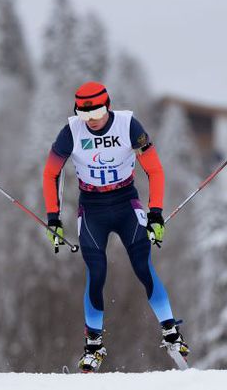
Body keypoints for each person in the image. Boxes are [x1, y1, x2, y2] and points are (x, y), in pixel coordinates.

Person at [42, 81, 189, 372]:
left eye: (96, 113)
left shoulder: (128, 125)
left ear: (107, 106)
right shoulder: (71, 131)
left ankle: (172, 333)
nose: (92, 121)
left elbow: (154, 169)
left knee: (143, 267)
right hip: (92, 208)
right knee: (96, 274)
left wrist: (156, 214)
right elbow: (51, 173)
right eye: (85, 116)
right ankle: (93, 346)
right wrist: (53, 218)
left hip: (126, 203)